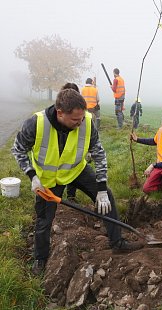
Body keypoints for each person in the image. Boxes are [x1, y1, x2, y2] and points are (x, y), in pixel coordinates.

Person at [12, 89, 143, 276]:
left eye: (81, 118)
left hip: (76, 170)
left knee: (108, 197)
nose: (80, 122)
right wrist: (32, 176)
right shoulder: (36, 123)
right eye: (75, 120)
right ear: (60, 113)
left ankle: (117, 242)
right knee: (44, 220)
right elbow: (18, 150)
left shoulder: (87, 121)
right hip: (48, 180)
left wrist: (101, 188)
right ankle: (40, 258)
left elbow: (99, 154)